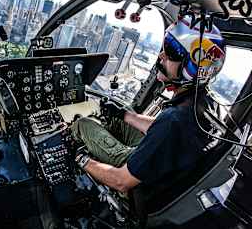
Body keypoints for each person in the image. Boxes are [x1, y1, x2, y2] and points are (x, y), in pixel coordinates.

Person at [71, 16, 226, 194]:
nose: (161, 56)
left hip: (139, 183)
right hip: (165, 166)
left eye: (170, 53)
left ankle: (86, 141)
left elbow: (120, 181)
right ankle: (103, 137)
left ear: (191, 68)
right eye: (164, 49)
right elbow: (164, 131)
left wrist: (81, 158)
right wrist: (124, 115)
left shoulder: (174, 120)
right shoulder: (206, 103)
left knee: (83, 124)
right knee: (124, 113)